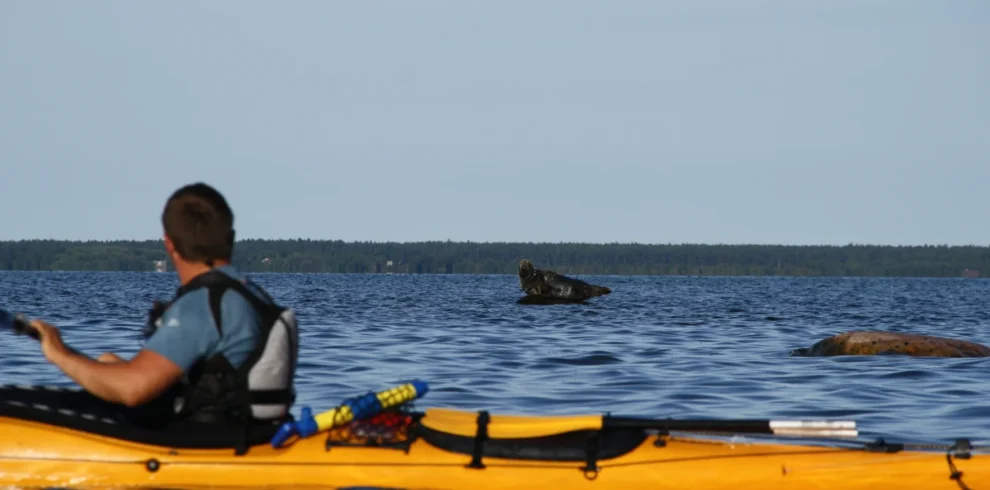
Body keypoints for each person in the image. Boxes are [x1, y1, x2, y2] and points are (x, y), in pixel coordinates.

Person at [30, 183, 299, 440]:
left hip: (205, 443)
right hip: (249, 432)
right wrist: (120, 370)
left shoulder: (202, 306)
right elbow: (212, 385)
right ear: (231, 238)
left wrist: (59, 352)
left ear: (169, 244)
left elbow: (131, 390)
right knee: (110, 364)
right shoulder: (252, 295)